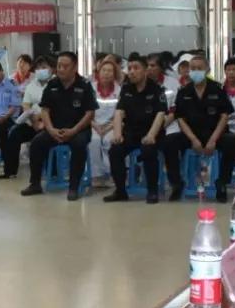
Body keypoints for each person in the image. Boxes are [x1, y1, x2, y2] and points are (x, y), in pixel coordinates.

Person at [20, 51, 96, 201]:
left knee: (79, 145)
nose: (61, 69)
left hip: (78, 130)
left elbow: (90, 113)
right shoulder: (52, 85)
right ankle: (35, 184)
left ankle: (73, 187)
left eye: (65, 66)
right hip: (55, 129)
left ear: (74, 68)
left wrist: (73, 130)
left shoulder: (85, 85)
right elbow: (45, 110)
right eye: (59, 66)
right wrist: (50, 129)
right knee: (36, 143)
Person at [163, 55, 235, 203]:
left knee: (232, 141)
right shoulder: (184, 91)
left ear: (207, 70)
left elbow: (224, 116)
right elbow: (180, 118)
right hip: (191, 134)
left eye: (199, 68)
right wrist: (193, 139)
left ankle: (222, 182)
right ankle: (177, 183)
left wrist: (213, 140)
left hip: (214, 133)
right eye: (193, 68)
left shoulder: (217, 88)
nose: (196, 71)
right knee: (169, 142)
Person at [104, 55, 167, 204]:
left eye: (136, 68)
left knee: (148, 150)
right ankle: (120, 191)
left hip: (152, 132)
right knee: (115, 150)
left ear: (145, 70)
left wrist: (151, 136)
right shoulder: (126, 89)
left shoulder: (156, 89)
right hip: (131, 132)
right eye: (130, 68)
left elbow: (160, 114)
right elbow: (119, 112)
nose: (132, 72)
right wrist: (117, 134)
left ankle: (152, 191)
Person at [0, 55, 54, 179]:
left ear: (51, 69)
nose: (41, 70)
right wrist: (34, 120)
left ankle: (48, 173)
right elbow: (26, 104)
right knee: (14, 133)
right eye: (38, 68)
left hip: (50, 123)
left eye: (44, 67)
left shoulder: (56, 85)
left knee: (41, 139)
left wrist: (41, 119)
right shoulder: (31, 85)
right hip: (32, 122)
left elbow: (56, 107)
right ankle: (10, 171)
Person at [88, 60, 119, 188]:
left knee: (109, 141)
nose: (106, 73)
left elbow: (120, 113)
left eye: (110, 71)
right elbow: (85, 112)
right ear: (98, 72)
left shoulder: (119, 90)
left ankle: (112, 173)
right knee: (93, 141)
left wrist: (108, 128)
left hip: (112, 125)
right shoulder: (90, 88)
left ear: (114, 74)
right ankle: (97, 175)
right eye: (104, 70)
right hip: (93, 124)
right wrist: (95, 126)